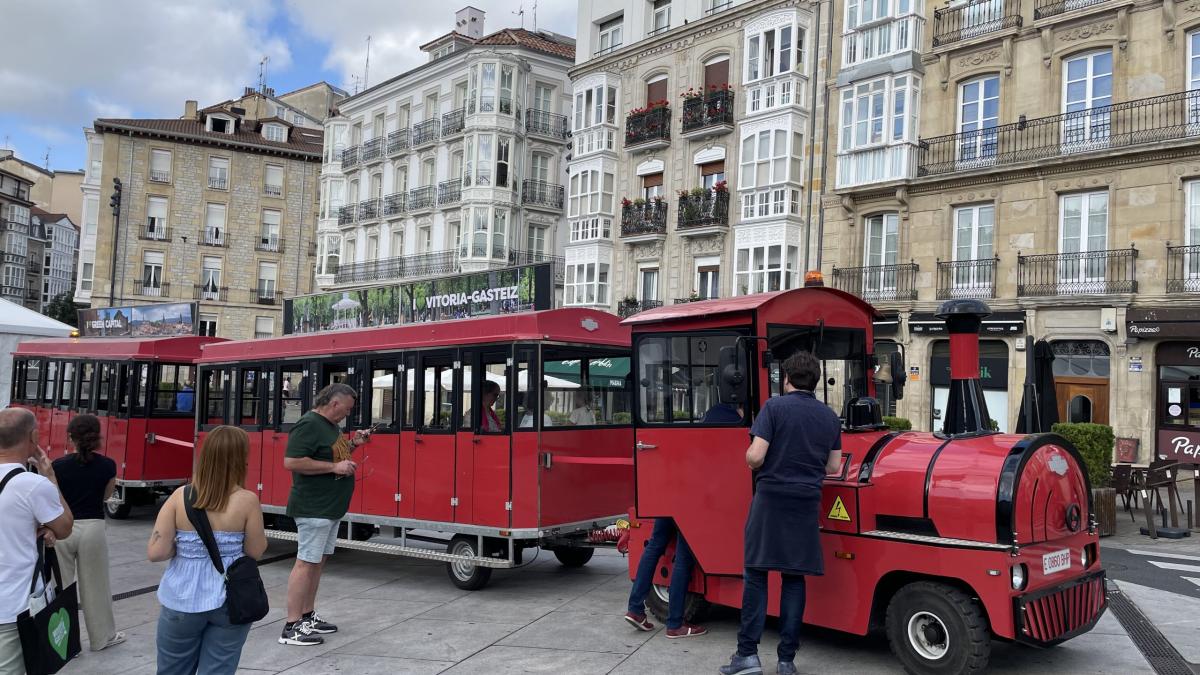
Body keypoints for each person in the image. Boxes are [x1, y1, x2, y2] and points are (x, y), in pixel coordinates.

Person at [719, 352, 842, 675]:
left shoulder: (774, 408)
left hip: (771, 500)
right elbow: (834, 466)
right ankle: (786, 660)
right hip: (805, 503)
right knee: (793, 578)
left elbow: (756, 458)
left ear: (786, 378)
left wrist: (749, 453)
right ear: (814, 381)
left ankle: (747, 656)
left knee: (756, 576)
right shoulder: (830, 417)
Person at [149, 426, 267, 675]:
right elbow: (255, 551)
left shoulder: (180, 496)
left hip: (180, 598)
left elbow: (156, 552)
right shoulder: (247, 500)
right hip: (229, 598)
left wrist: (188, 548)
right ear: (240, 459)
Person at [280, 383, 369, 646]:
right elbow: (292, 461)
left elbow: (337, 456)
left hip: (329, 508)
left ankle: (307, 616)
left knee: (317, 562)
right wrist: (334, 467)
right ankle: (291, 626)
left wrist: (354, 443)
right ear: (334, 403)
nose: (347, 414)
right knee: (306, 563)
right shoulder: (308, 424)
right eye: (347, 408)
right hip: (313, 507)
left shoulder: (331, 427)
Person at [0, 408, 73, 675]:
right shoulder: (32, 485)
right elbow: (64, 527)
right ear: (33, 436)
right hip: (13, 607)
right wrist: (50, 477)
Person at [51, 414, 124, 652]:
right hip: (93, 527)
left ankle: (64, 642)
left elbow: (52, 500)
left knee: (61, 588)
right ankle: (102, 638)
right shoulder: (108, 465)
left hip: (63, 527)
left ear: (70, 437)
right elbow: (105, 497)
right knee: (96, 586)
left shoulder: (57, 466)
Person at [623, 516, 707, 639]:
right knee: (683, 557)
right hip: (687, 504)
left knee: (654, 546)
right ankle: (675, 624)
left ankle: (635, 609)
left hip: (665, 502)